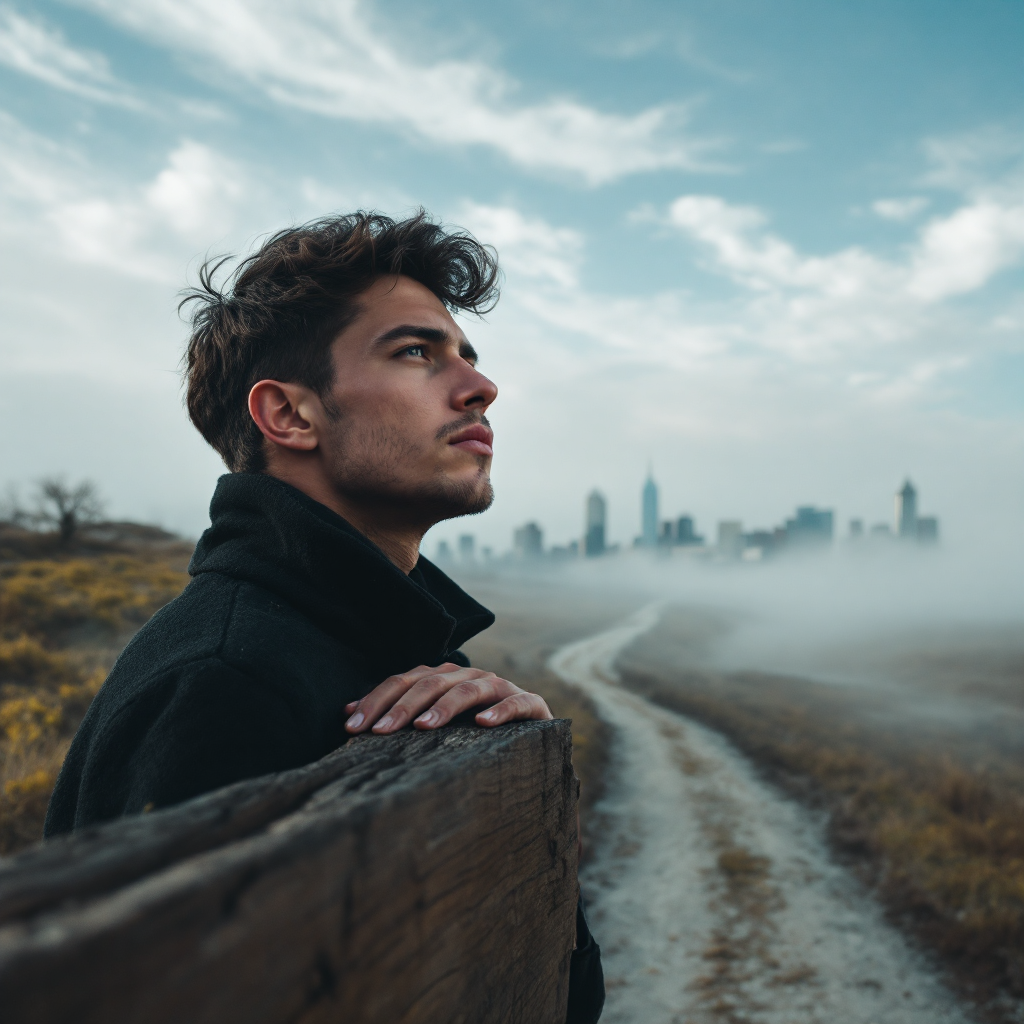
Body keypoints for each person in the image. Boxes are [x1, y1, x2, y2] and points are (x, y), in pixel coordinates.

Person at [44, 211, 604, 1023]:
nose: (481, 386)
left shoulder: (383, 647)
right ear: (291, 416)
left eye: (467, 356)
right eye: (416, 352)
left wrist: (526, 769)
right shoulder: (224, 680)